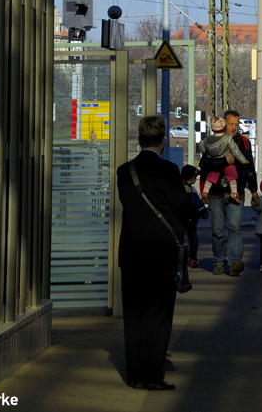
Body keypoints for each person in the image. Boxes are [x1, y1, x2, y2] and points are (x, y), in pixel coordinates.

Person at [116, 114, 195, 391]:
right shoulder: (168, 171)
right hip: (161, 252)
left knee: (134, 314)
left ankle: (135, 374)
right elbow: (182, 207)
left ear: (139, 140)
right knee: (158, 315)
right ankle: (151, 375)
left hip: (131, 252)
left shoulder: (124, 172)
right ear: (163, 140)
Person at [200, 109, 258, 276]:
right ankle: (218, 262)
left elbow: (249, 168)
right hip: (215, 192)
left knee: (234, 228)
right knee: (218, 230)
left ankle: (234, 263)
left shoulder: (244, 142)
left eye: (236, 124)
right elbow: (204, 166)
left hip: (236, 192)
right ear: (224, 124)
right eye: (231, 124)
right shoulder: (212, 141)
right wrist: (224, 161)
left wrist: (254, 191)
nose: (234, 127)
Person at [199, 116, 249, 203]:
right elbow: (236, 151)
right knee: (232, 176)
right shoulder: (227, 139)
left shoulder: (207, 140)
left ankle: (205, 192)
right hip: (227, 162)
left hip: (214, 163)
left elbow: (203, 151)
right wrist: (244, 160)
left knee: (211, 177)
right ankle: (234, 193)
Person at [182, 170, 210, 270]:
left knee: (194, 241)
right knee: (184, 241)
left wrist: (203, 211)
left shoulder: (193, 189)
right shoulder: (182, 189)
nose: (195, 179)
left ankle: (193, 258)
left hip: (193, 221)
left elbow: (198, 203)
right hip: (184, 221)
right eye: (194, 178)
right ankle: (183, 258)